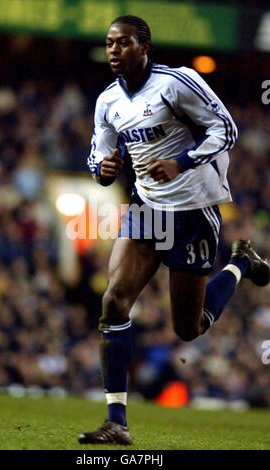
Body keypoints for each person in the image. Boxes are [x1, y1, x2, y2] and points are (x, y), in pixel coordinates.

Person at [78, 15, 270, 445]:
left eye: (123, 43)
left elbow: (227, 129)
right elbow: (98, 155)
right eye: (109, 43)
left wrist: (179, 162)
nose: (113, 50)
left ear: (144, 47)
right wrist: (103, 170)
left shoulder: (178, 82)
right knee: (113, 300)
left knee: (189, 327)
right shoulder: (108, 100)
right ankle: (116, 423)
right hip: (148, 208)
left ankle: (240, 263)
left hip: (193, 211)